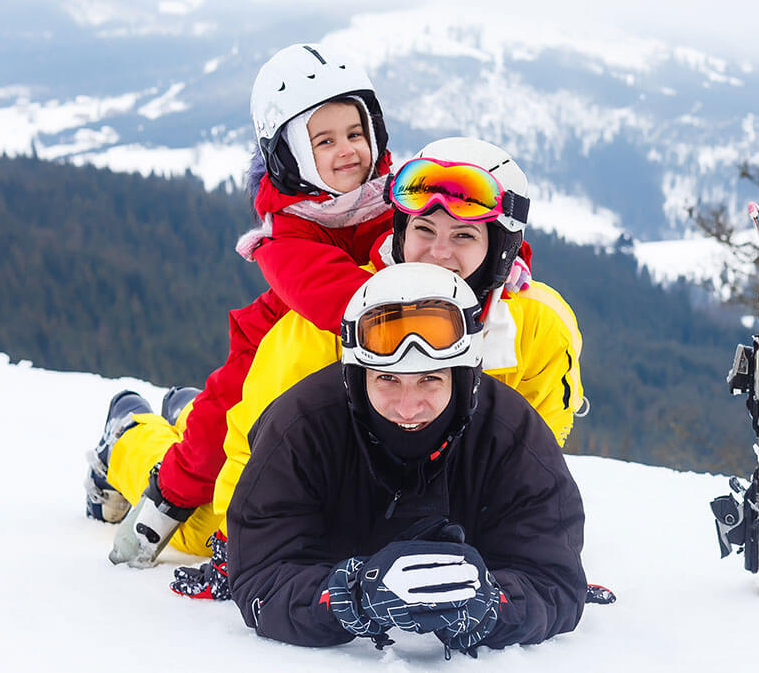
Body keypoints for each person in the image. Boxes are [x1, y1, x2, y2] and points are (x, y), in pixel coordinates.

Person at [161, 137, 585, 601]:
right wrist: (237, 549)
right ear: (402, 233)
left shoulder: (537, 329)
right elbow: (258, 445)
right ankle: (129, 438)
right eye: (425, 229)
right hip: (328, 488)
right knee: (193, 530)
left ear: (500, 248)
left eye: (463, 235)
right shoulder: (343, 320)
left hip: (433, 496)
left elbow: (532, 459)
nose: (438, 253)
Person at [84, 42, 395, 560]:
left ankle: (182, 411)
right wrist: (169, 496)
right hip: (248, 406)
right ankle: (128, 438)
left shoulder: (397, 203)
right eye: (324, 140)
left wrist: (503, 257)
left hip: (328, 426)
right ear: (290, 153)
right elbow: (354, 303)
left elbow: (469, 219)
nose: (347, 150)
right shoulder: (290, 246)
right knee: (201, 531)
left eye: (355, 132)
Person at [226, 262, 587, 656]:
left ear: (464, 377)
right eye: (387, 379)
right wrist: (350, 597)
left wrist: (494, 606)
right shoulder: (300, 429)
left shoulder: (513, 435)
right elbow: (260, 574)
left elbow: (555, 581)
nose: (408, 407)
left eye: (430, 379)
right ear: (357, 376)